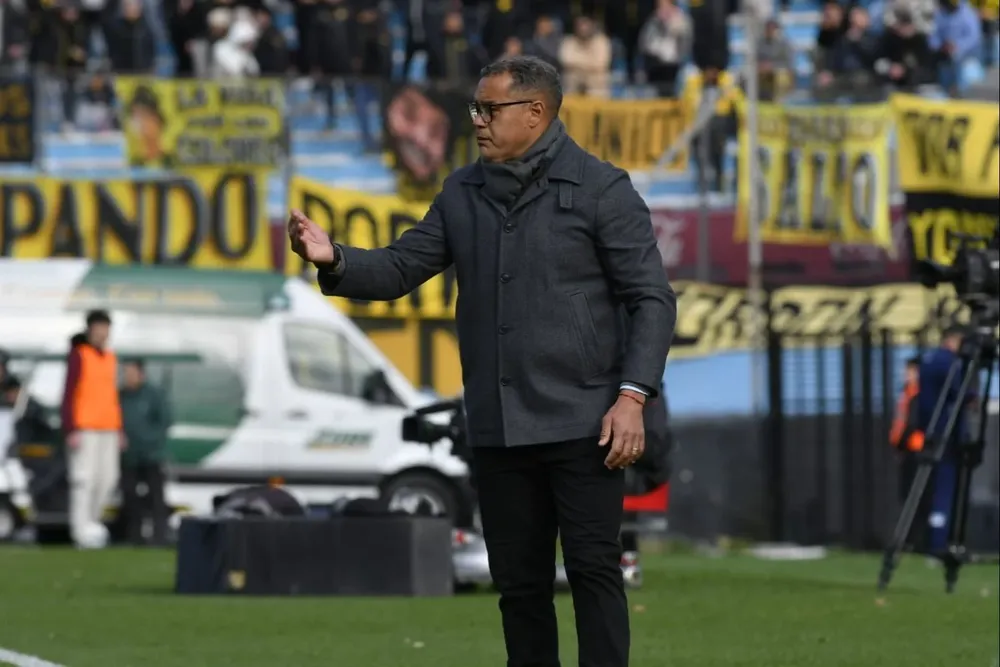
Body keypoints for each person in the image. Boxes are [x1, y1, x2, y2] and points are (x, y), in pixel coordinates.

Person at [289, 55, 676, 667]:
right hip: (498, 424)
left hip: (587, 422)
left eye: (489, 109)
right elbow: (400, 268)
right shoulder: (462, 191)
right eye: (476, 108)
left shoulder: (603, 189)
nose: (477, 121)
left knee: (593, 573)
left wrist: (633, 398)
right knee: (519, 588)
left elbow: (651, 299)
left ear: (536, 113)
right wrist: (333, 257)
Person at [61, 310, 125, 548]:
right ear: (90, 329)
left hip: (109, 426)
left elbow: (112, 395)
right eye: (98, 327)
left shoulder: (110, 356)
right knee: (83, 480)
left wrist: (120, 429)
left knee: (108, 479)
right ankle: (80, 531)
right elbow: (68, 393)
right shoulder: (80, 355)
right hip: (85, 427)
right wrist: (70, 428)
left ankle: (92, 524)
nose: (102, 332)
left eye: (106, 327)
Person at [917, 325, 979, 555]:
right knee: (947, 487)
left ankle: (934, 537)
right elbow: (960, 392)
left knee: (933, 486)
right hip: (949, 432)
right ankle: (942, 542)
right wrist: (971, 398)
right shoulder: (951, 363)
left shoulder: (928, 360)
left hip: (930, 431)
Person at [119, 359, 172, 546]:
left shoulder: (154, 394)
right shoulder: (121, 396)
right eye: (125, 372)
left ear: (141, 373)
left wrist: (150, 442)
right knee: (130, 496)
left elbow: (164, 421)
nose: (127, 377)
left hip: (152, 456)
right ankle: (134, 536)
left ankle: (160, 536)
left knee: (156, 497)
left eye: (130, 372)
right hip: (128, 457)